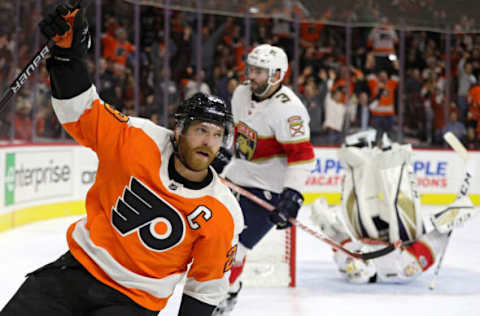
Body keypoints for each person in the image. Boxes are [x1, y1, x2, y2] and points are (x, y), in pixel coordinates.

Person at [0, 4, 244, 316]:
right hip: (74, 274)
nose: (208, 141)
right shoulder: (139, 138)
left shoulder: (222, 211)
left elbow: (206, 288)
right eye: (200, 130)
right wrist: (67, 58)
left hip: (132, 303)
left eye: (216, 134)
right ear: (179, 130)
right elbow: (82, 112)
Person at [212, 44, 315, 315]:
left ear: (277, 75)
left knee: (235, 249)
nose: (251, 75)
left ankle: (224, 295)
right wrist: (227, 152)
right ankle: (229, 288)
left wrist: (292, 195)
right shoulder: (241, 92)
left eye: (259, 71)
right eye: (252, 68)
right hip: (236, 177)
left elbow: (302, 156)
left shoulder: (289, 110)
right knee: (215, 240)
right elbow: (239, 130)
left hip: (268, 189)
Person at [311, 130, 478, 284]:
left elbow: (341, 241)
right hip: (403, 237)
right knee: (397, 202)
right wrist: (446, 224)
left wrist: (327, 225)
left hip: (369, 231)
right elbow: (429, 245)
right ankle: (394, 160)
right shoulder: (401, 270)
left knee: (360, 202)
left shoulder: (346, 259)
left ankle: (360, 154)